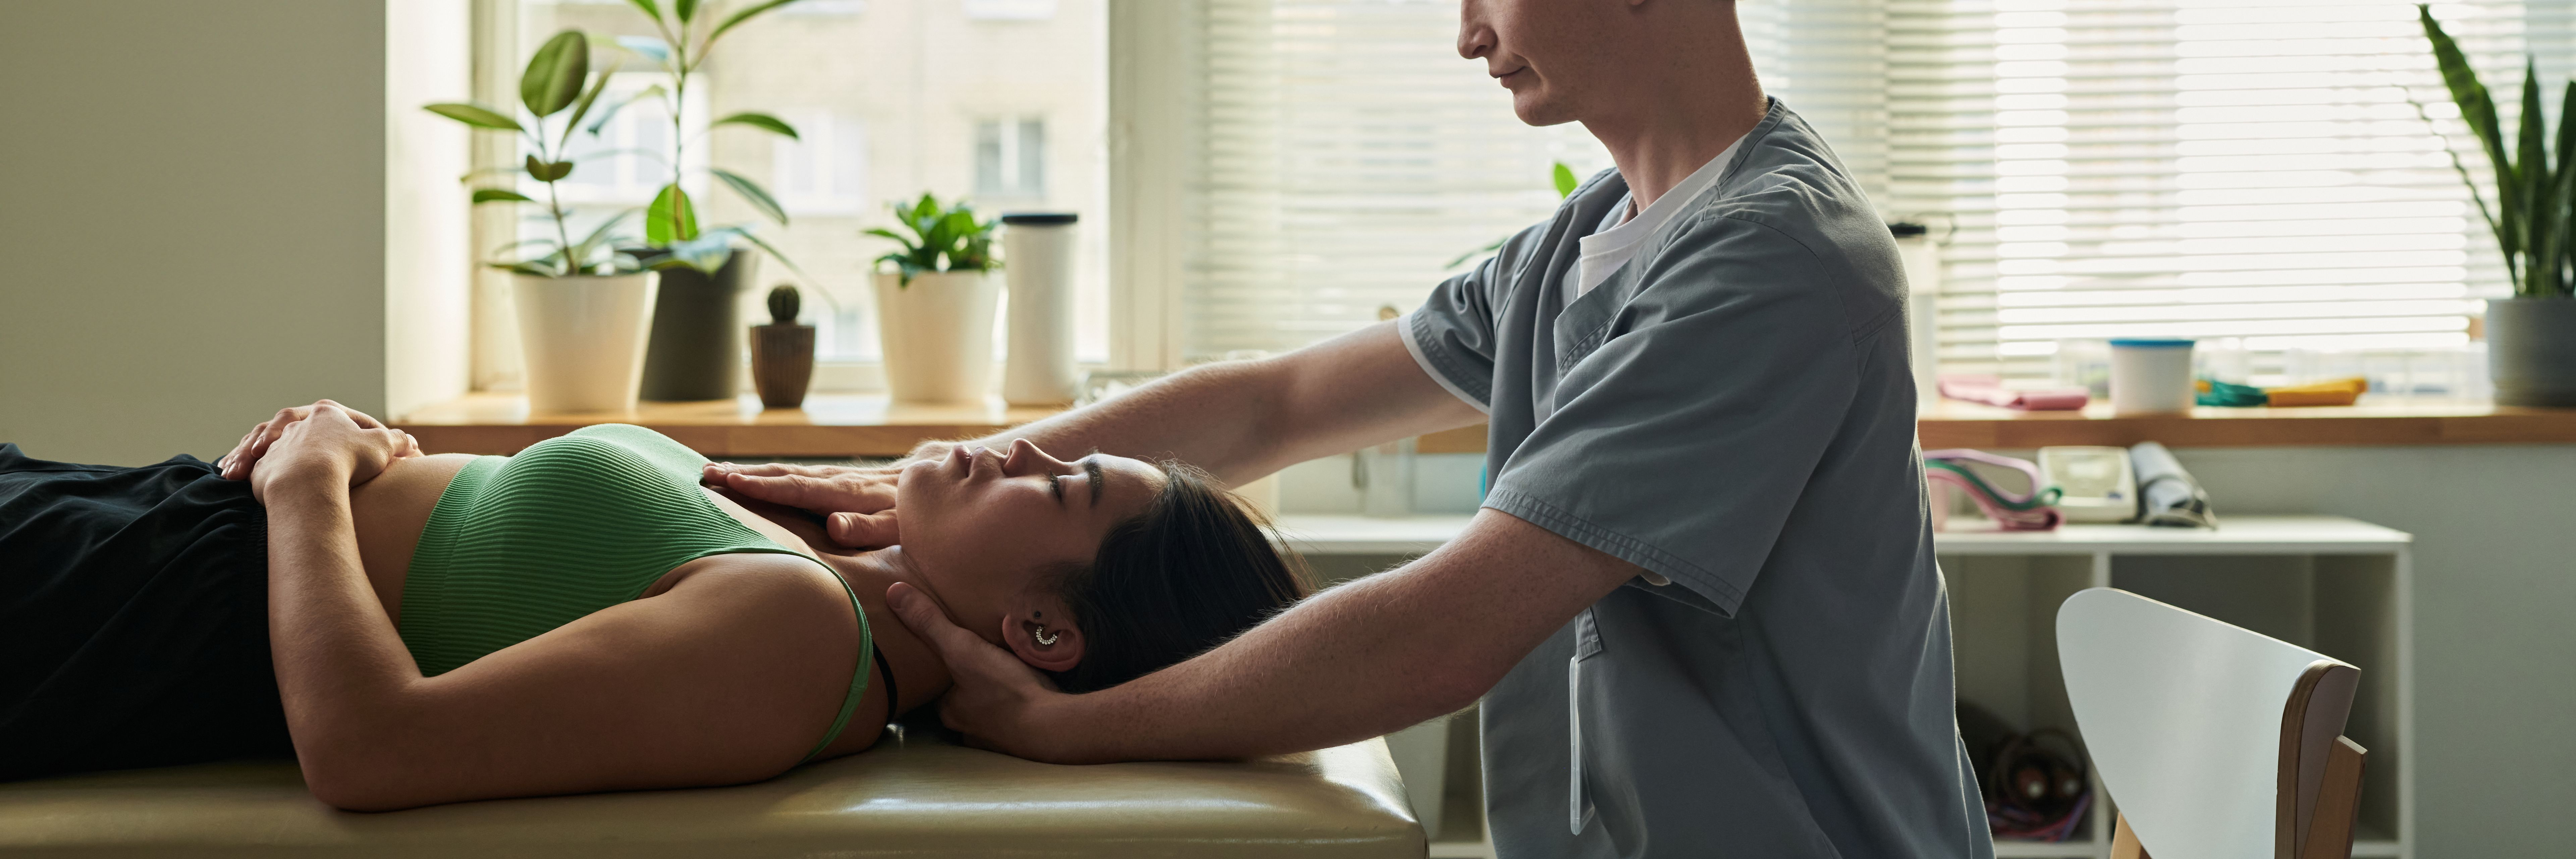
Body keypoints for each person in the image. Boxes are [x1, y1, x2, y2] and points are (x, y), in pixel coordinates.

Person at [709, 0, 1993, 855]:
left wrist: (1068, 727)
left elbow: (1450, 629)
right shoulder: (1584, 243)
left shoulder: (1775, 264)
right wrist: (953, 484)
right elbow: (1279, 404)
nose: (1468, 33)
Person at [0, 401, 1308, 811]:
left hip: (131, 607)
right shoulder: (845, 568)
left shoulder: (798, 644)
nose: (1024, 448)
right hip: (145, 525)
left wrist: (310, 480)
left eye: (1064, 488)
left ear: (1044, 632)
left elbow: (372, 747)